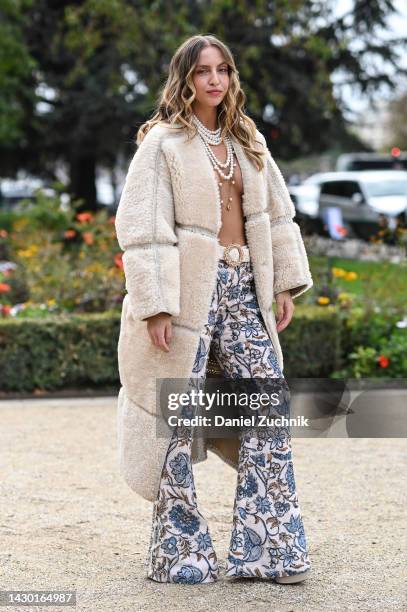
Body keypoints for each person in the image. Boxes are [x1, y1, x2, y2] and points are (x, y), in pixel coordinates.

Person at [115, 34, 314, 585]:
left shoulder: (248, 139)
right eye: (203, 71)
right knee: (178, 420)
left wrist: (283, 284)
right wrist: (154, 305)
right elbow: (145, 229)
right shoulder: (162, 143)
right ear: (185, 78)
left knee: (267, 413)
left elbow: (277, 215)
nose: (214, 80)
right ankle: (182, 553)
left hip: (245, 286)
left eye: (223, 69)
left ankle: (268, 550)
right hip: (187, 295)